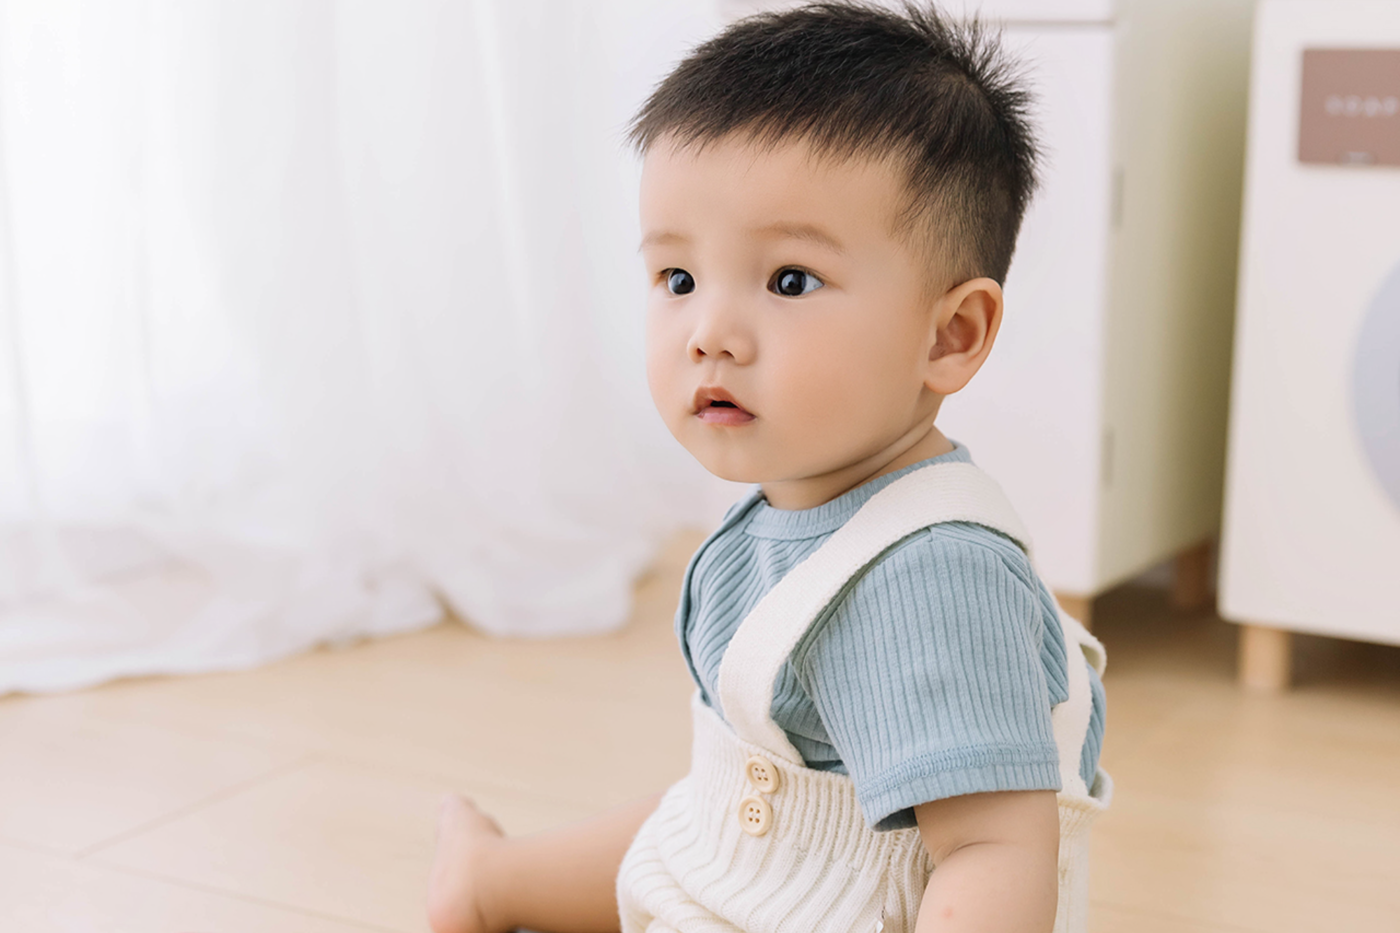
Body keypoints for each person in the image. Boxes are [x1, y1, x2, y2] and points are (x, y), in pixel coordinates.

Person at [426, 3, 1111, 931]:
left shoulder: (934, 577)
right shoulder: (787, 506)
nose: (709, 332)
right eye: (678, 279)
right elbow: (722, 817)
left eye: (789, 280)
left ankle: (493, 880)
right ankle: (491, 878)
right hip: (748, 862)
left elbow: (993, 851)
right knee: (694, 823)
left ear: (950, 334)